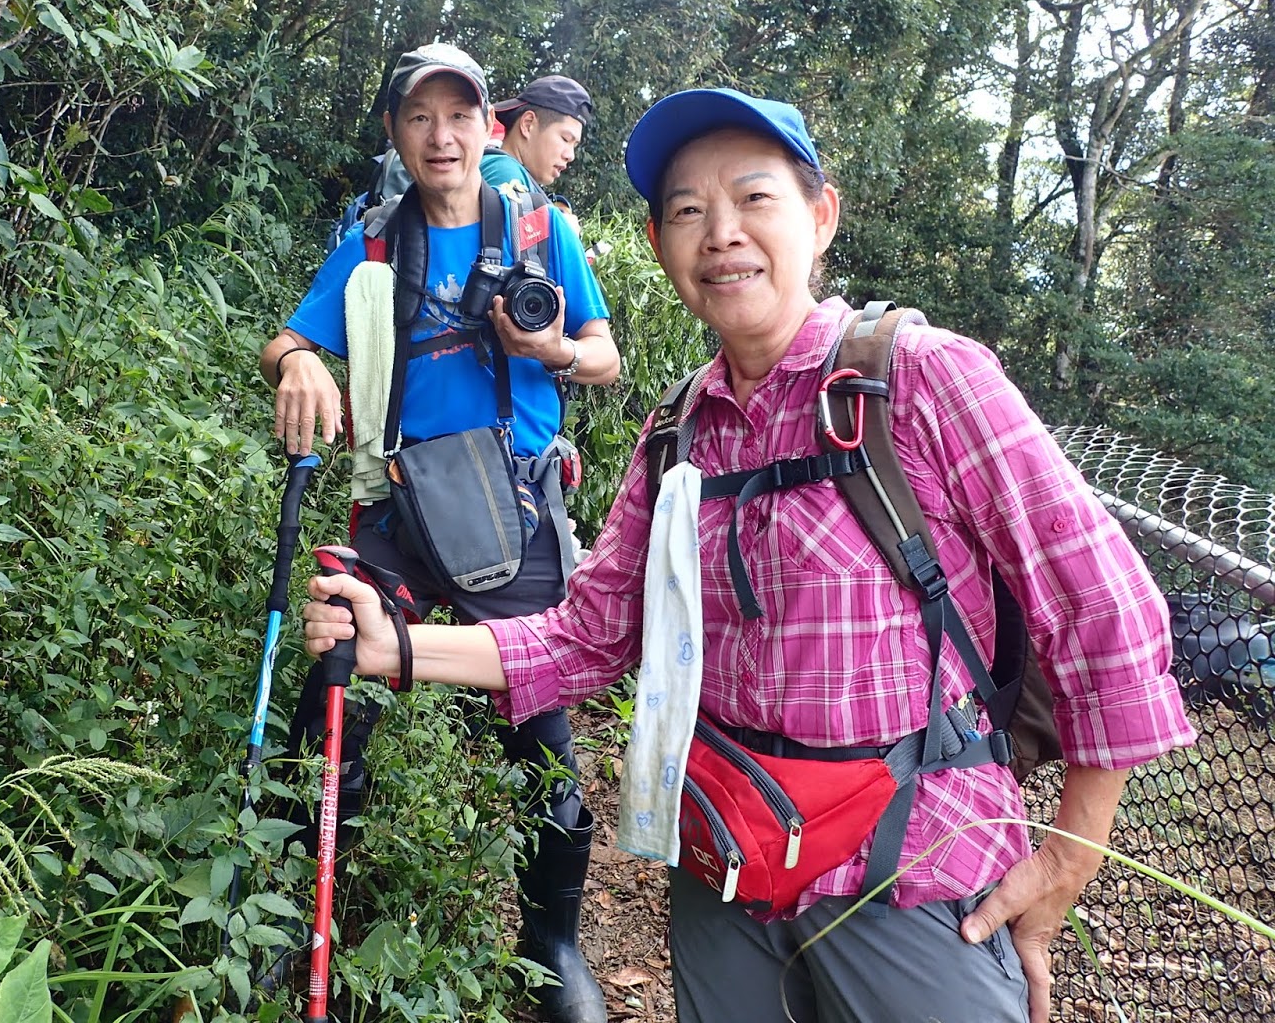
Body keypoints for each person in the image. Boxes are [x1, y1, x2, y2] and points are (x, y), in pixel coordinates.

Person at [301, 87, 1197, 1023]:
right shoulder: (679, 431)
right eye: (689, 210)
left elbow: (1104, 603)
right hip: (728, 864)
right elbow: (588, 636)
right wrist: (393, 647)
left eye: (755, 198)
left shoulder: (921, 378)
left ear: (821, 215)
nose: (722, 232)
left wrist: (1070, 856)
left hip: (914, 872)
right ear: (660, 246)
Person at [259, 43, 622, 1023]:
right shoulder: (374, 242)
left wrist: (548, 346)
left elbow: (605, 356)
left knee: (541, 731)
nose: (441, 135)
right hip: (401, 504)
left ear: (487, 127)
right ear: (396, 133)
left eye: (459, 115)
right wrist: (299, 362)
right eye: (419, 117)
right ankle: (294, 913)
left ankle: (551, 944)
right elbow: (287, 336)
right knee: (334, 693)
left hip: (514, 504)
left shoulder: (544, 230)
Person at [482, 74, 594, 197]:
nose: (570, 156)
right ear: (528, 124)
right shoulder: (504, 171)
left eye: (574, 145)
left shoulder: (510, 172)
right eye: (565, 139)